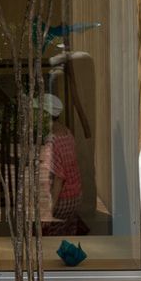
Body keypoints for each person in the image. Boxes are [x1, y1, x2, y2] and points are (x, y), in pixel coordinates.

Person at [38, 92, 87, 235]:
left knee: (53, 240)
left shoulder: (51, 142)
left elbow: (58, 180)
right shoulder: (67, 133)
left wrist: (48, 211)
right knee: (68, 235)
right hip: (76, 196)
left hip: (62, 199)